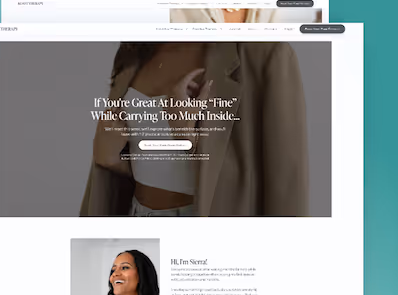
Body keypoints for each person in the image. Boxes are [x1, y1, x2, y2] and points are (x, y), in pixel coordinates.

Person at [83, 35, 309, 217]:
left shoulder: (264, 54)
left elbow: (287, 187)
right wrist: (111, 160)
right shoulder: (134, 51)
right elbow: (148, 166)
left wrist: (190, 139)